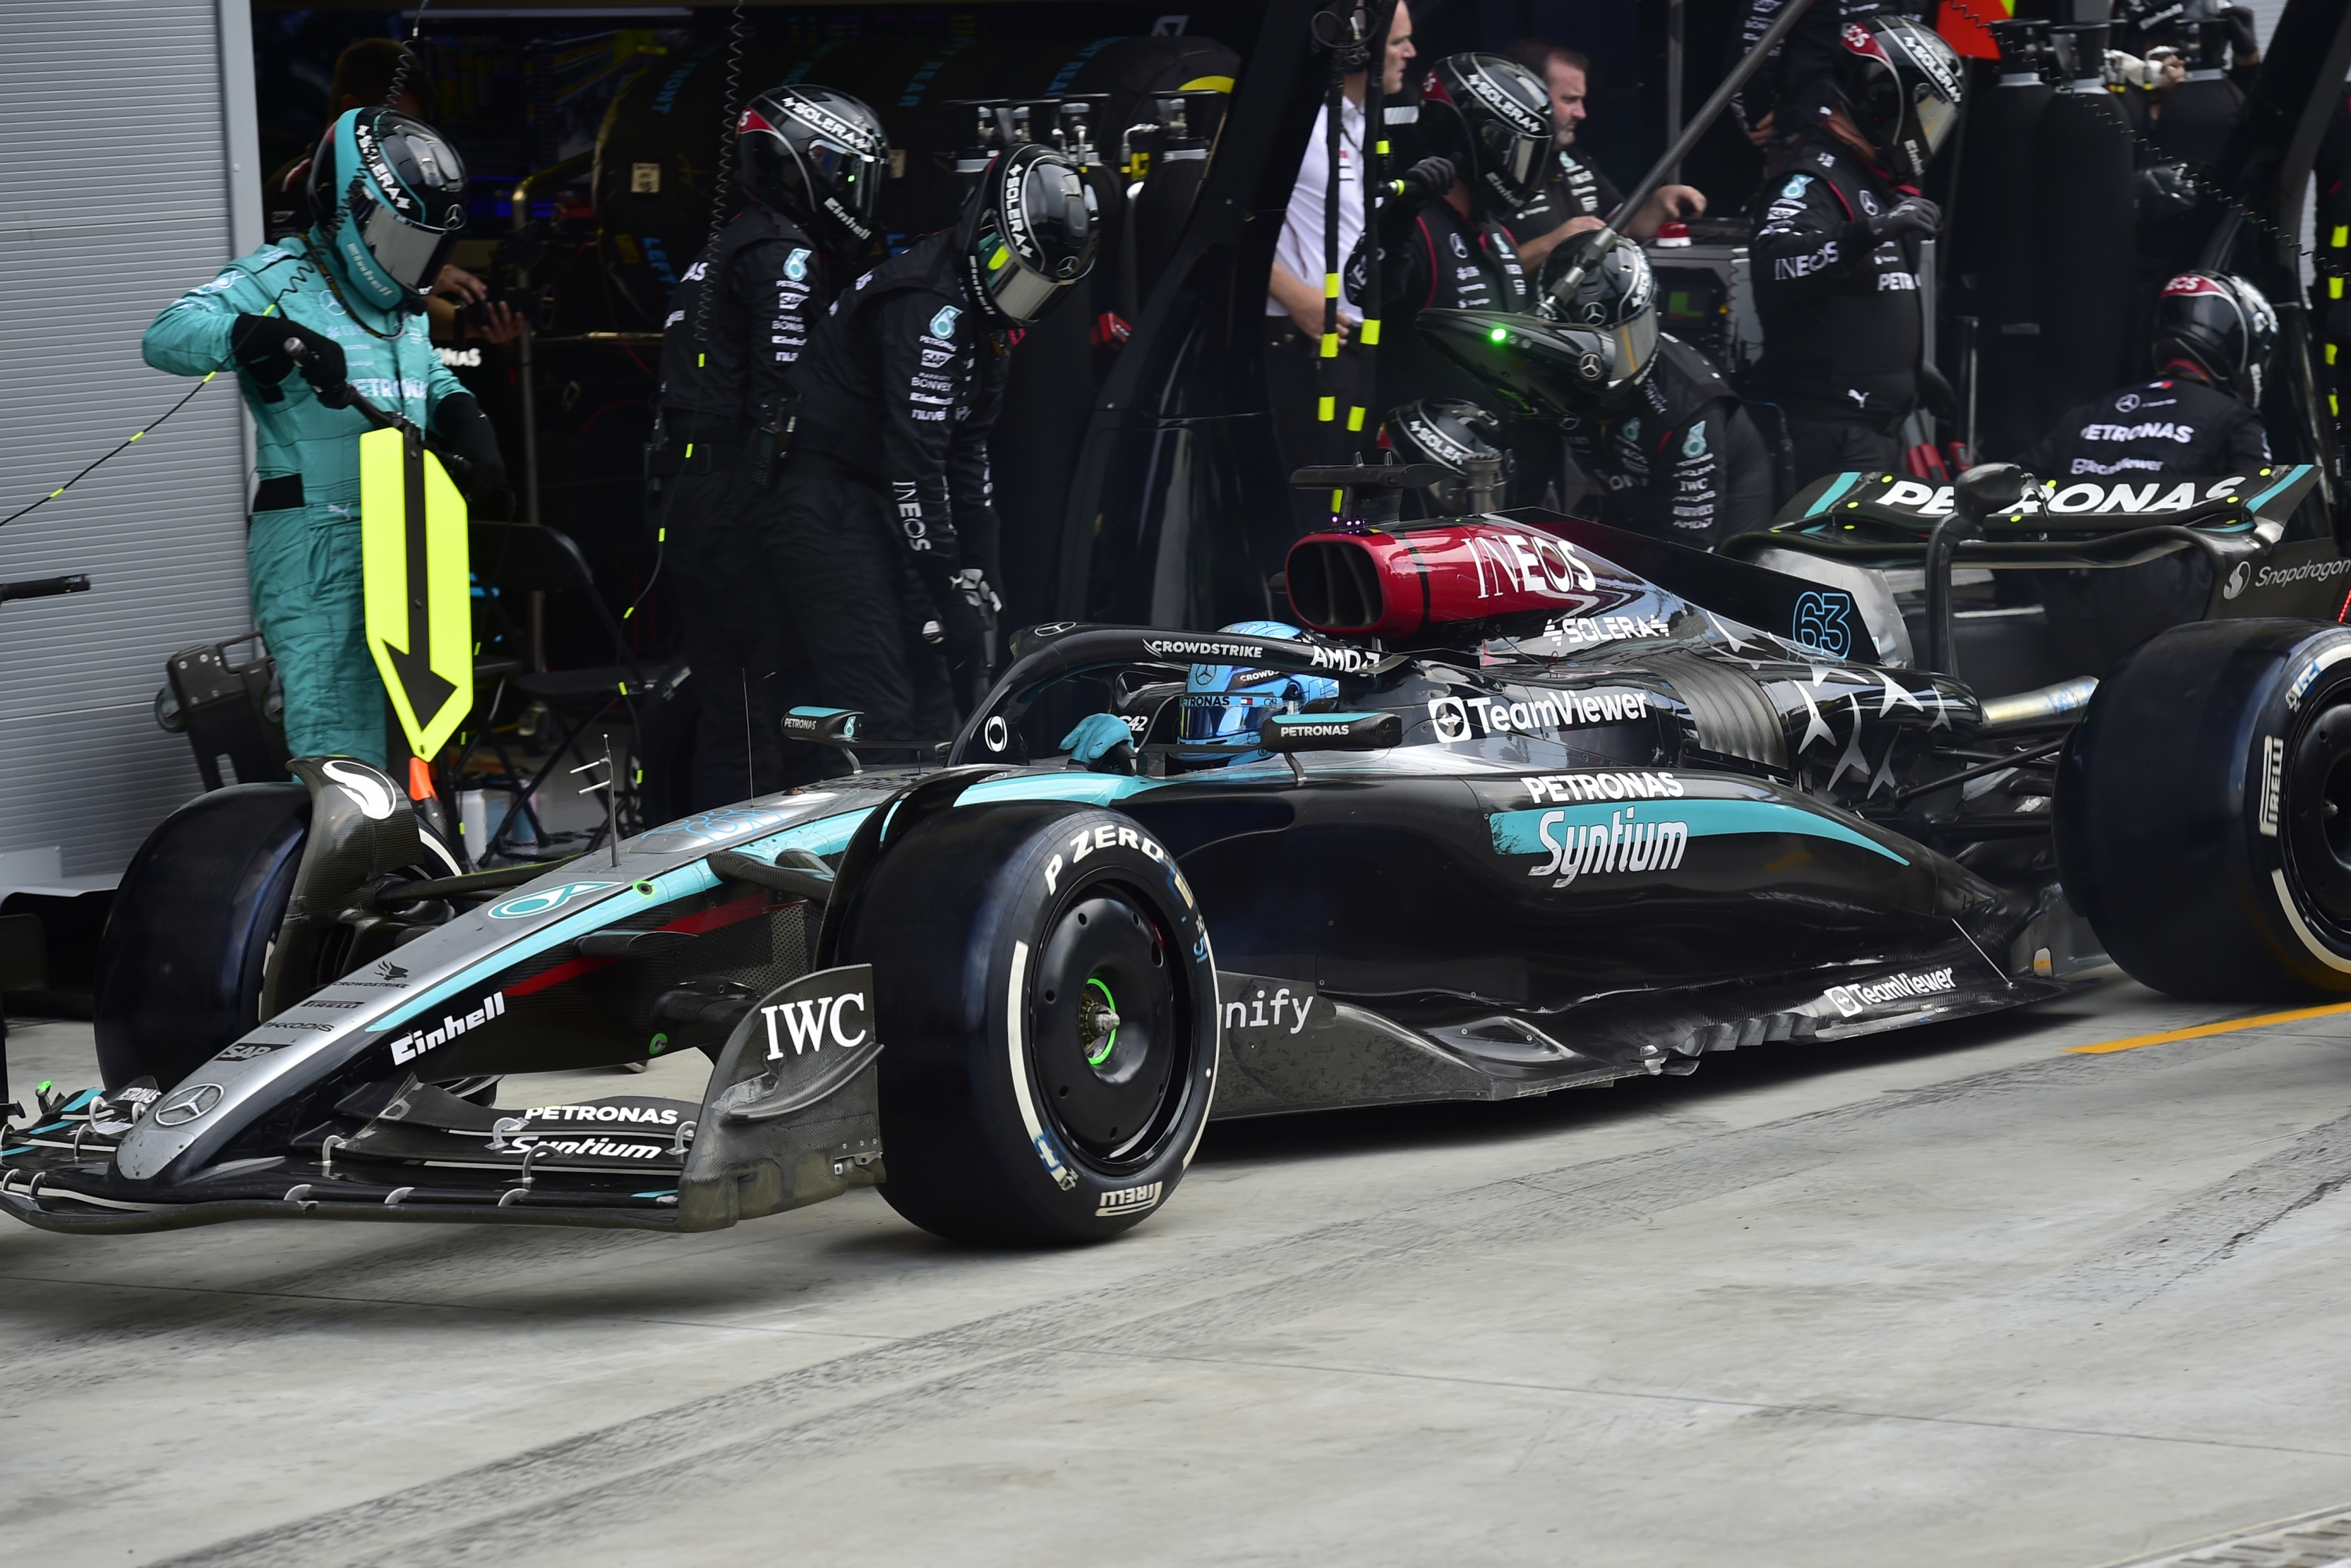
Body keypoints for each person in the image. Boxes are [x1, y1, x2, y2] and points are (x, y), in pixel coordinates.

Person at [144, 108, 506, 768]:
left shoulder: (401, 305)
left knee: (420, 748)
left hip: (409, 539)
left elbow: (429, 378)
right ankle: (333, 871)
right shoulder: (277, 277)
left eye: (420, 244)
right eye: (396, 237)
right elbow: (166, 334)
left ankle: (407, 871)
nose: (407, 260)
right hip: (317, 541)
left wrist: (468, 423)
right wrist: (260, 335)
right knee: (338, 749)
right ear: (346, 207)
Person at [768, 143, 1097, 764]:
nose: (1015, 299)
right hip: (824, 501)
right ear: (984, 231)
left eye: (1034, 292)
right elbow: (915, 461)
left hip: (879, 502)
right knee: (882, 709)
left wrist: (981, 564)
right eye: (1012, 276)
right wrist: (947, 581)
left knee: (934, 696)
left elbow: (967, 450)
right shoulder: (929, 304)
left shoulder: (986, 321)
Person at [648, 85, 887, 807]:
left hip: (689, 497)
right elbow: (786, 397)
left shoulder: (727, 246)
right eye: (845, 173)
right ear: (804, 164)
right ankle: (757, 887)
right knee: (765, 707)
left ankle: (720, 886)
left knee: (733, 709)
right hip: (734, 504)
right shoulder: (783, 253)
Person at [2023, 270, 2276, 676]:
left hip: (2072, 604)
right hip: (2168, 611)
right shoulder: (2233, 418)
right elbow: (2265, 517)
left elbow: (2012, 490)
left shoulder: (2090, 413)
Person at [1746, 15, 1962, 488]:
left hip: (1873, 434)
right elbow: (1774, 266)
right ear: (1885, 101)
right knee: (1816, 565)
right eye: (1926, 113)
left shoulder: (1873, 180)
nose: (1930, 131)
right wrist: (1868, 232)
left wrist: (1905, 368)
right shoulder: (1809, 180)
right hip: (1825, 438)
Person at [1264, 0, 1417, 531]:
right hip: (1295, 345)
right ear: (1358, 46)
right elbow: (1227, 229)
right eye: (1398, 41)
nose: (1410, 53)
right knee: (1311, 509)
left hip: (1349, 345)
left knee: (1349, 510)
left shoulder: (1356, 122)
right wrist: (1297, 298)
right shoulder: (1295, 126)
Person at [265, 39, 523, 350]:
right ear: (350, 110)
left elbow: (403, 314)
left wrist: (473, 325)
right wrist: (410, 284)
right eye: (391, 125)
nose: (403, 141)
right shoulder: (293, 189)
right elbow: (291, 301)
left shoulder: (402, 195)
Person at [1350, 53, 1549, 427]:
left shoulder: (1498, 235)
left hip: (1495, 457)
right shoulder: (1413, 223)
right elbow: (1364, 290)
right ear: (1477, 142)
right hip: (1420, 463)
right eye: (1514, 150)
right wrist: (1399, 215)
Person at [1540, 241, 1773, 549]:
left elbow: (1690, 545)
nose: (1607, 367)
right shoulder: (1543, 379)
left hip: (1729, 490)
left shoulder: (1690, 406)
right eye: (1587, 349)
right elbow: (1528, 479)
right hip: (1634, 487)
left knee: (1720, 579)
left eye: (1622, 342)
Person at [1499, 39, 1707, 269]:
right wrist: (1551, 245)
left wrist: (1657, 202)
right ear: (1527, 97)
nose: (1581, 113)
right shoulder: (1490, 171)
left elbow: (1623, 227)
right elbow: (1475, 275)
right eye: (1569, 100)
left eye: (1581, 100)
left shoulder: (1575, 158)